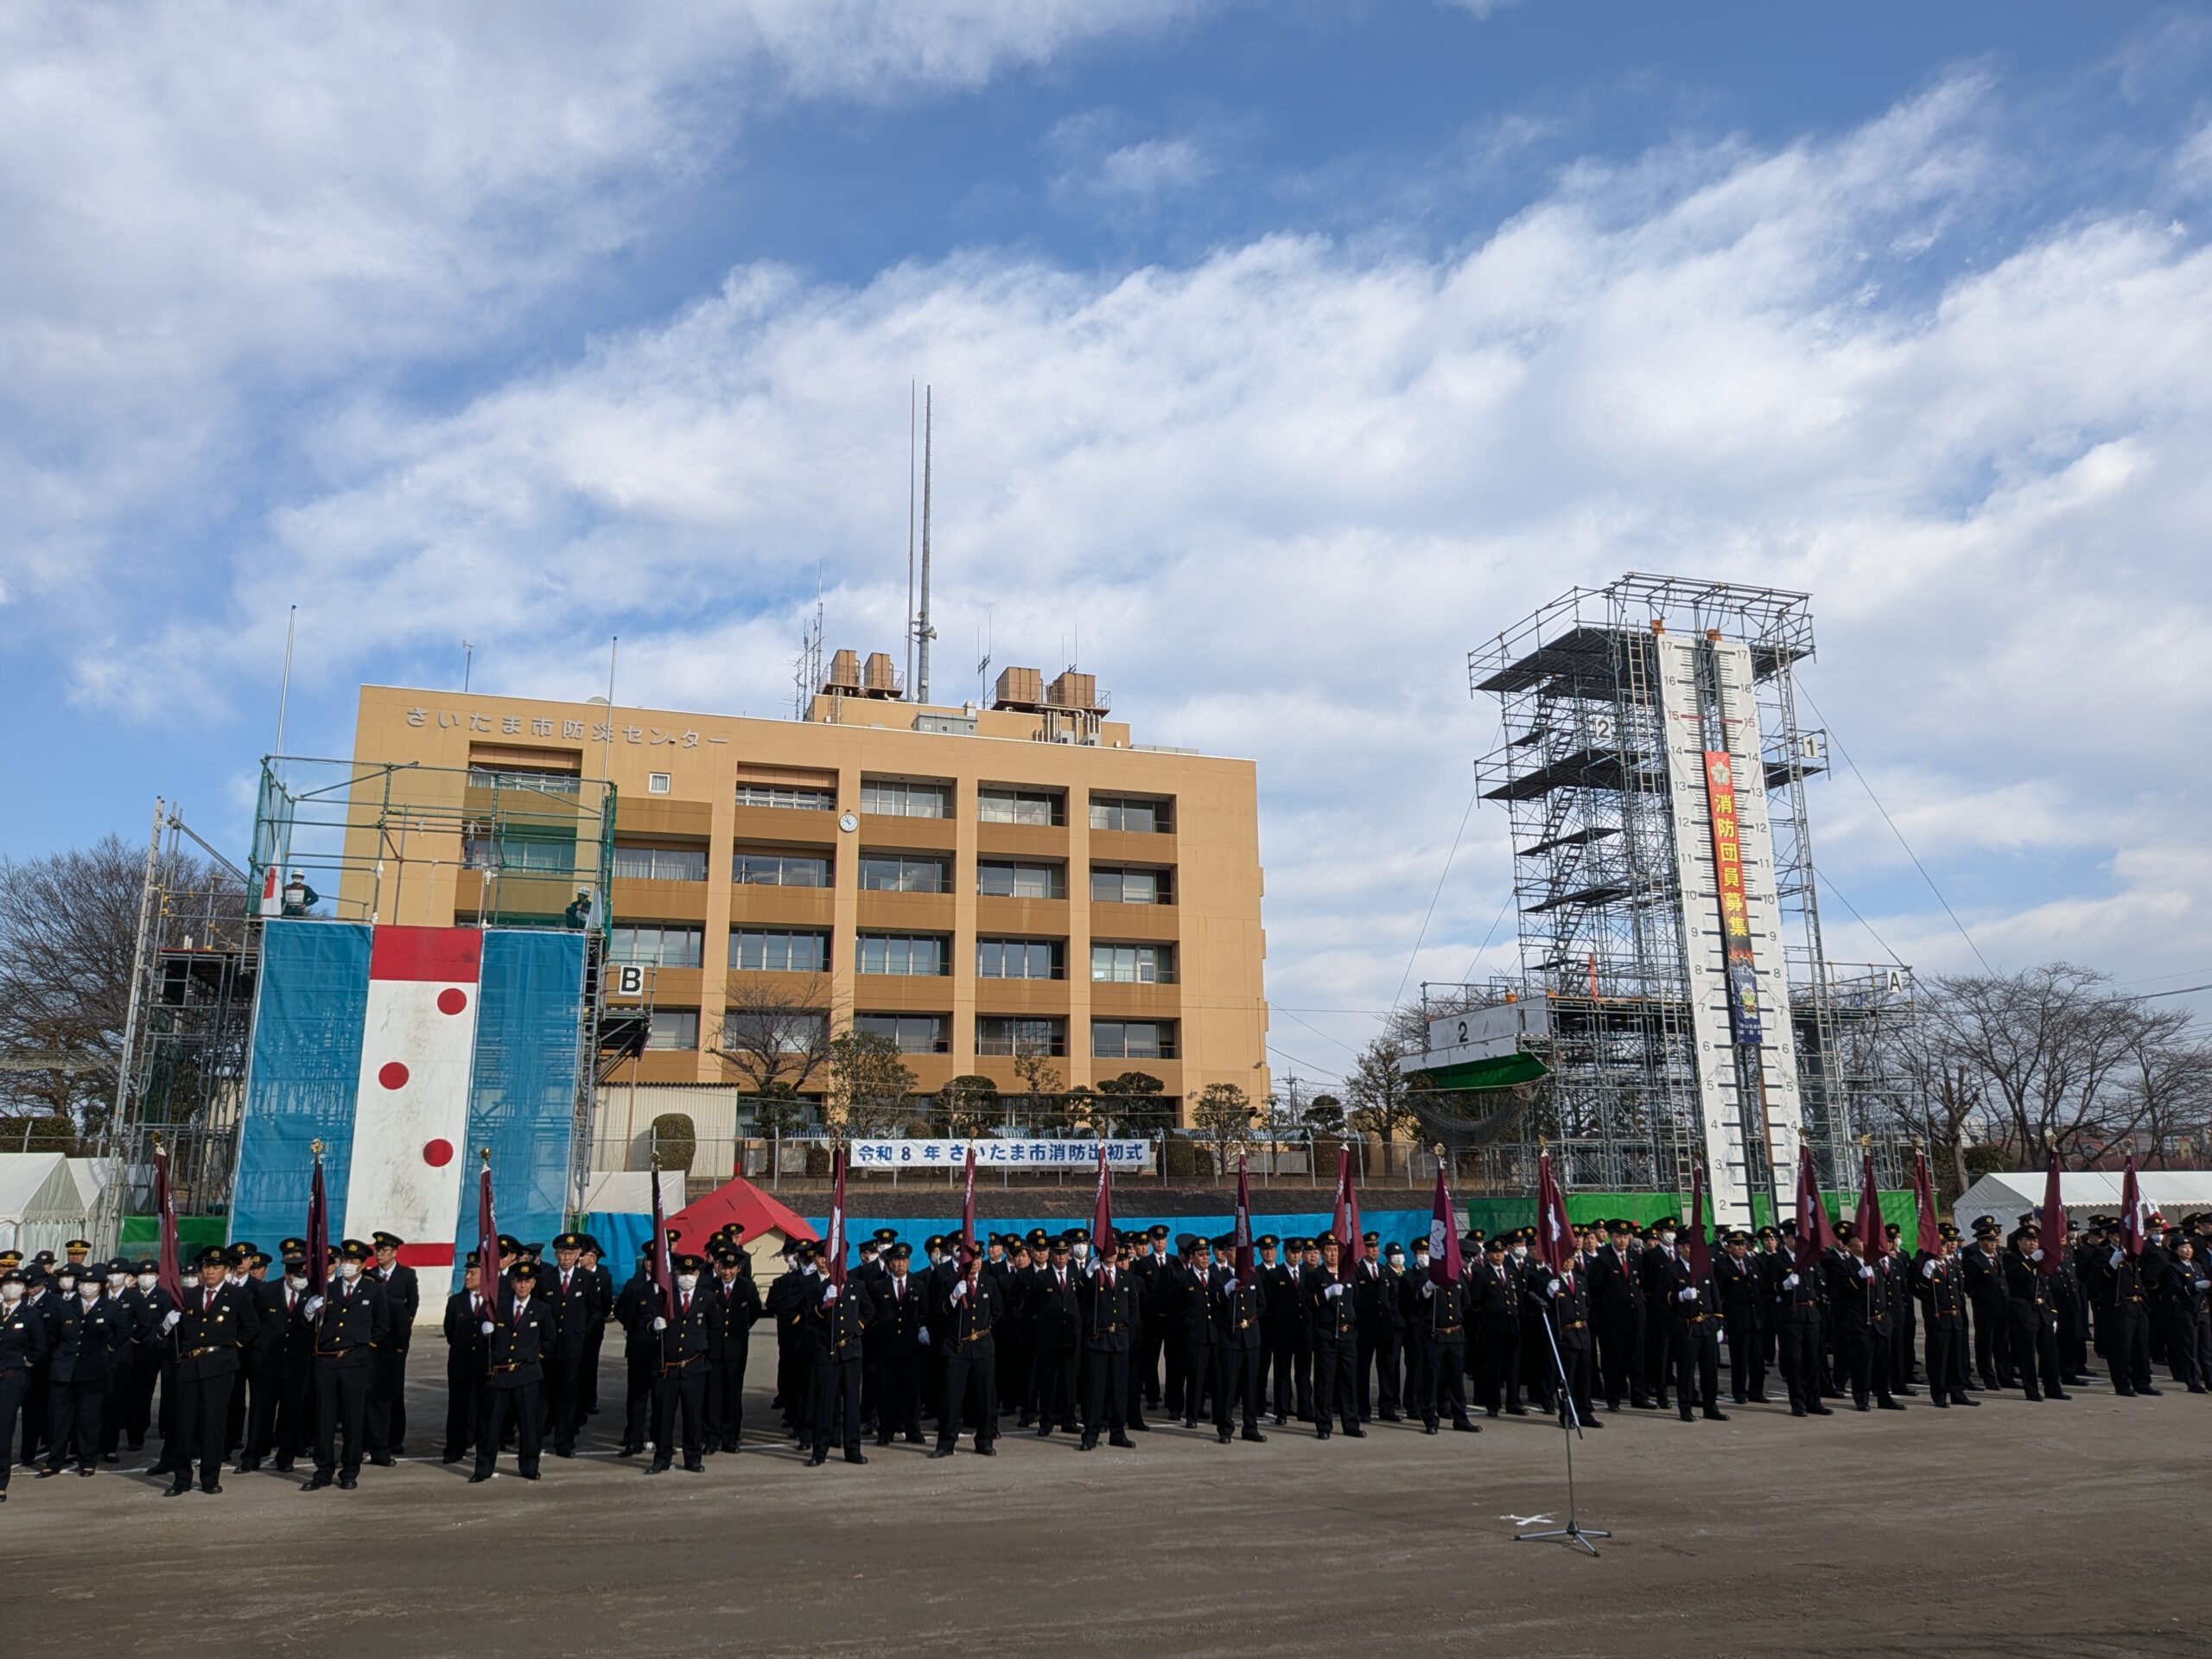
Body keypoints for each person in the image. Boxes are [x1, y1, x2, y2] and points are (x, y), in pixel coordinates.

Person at [163, 1244, 261, 1496]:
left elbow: (251, 1327)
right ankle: (182, 1478)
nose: (209, 1271)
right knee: (184, 1425)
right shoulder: (188, 1295)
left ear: (227, 1269)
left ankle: (210, 1477)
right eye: (206, 1266)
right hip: (189, 1365)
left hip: (219, 1366)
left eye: (215, 1267)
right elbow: (178, 1333)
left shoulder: (237, 1296)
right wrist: (168, 1325)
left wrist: (231, 1348)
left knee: (213, 1424)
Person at [303, 1238, 391, 1491]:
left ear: (363, 1264)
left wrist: (362, 1346)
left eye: (354, 1260)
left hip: (355, 1361)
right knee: (325, 1418)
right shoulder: (328, 1289)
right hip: (328, 1361)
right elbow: (312, 1326)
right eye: (345, 1259)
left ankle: (350, 1470)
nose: (347, 1264)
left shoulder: (373, 1290)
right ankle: (322, 1470)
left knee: (352, 1417)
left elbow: (382, 1326)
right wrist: (309, 1312)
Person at [39, 1257, 128, 1478]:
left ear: (100, 1286)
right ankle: (54, 1460)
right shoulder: (65, 1307)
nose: (86, 1287)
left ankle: (87, 1460)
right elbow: (52, 1334)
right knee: (59, 1418)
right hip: (64, 1369)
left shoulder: (111, 1308)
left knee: (88, 1418)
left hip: (93, 1369)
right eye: (83, 1283)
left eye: (92, 1283)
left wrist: (109, 1347)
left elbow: (123, 1332)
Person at [473, 1259, 550, 1482]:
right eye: (519, 1281)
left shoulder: (541, 1310)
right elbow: (483, 1342)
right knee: (491, 1426)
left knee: (528, 1424)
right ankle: (484, 1468)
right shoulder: (498, 1307)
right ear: (512, 1283)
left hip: (527, 1375)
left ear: (534, 1284)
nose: (523, 1286)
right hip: (501, 1374)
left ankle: (529, 1466)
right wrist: (485, 1331)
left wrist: (533, 1358)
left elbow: (549, 1339)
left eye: (527, 1281)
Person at [241, 1254, 315, 1472]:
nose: (299, 1278)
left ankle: (285, 1458)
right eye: (296, 1274)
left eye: (303, 1274)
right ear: (287, 1274)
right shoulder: (266, 1291)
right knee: (260, 1412)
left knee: (290, 1413)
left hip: (296, 1363)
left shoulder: (313, 1294)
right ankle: (252, 1455)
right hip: (266, 1362)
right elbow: (254, 1323)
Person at [648, 1254, 714, 1473]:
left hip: (694, 1366)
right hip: (669, 1367)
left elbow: (713, 1329)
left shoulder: (707, 1297)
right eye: (682, 1273)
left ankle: (693, 1457)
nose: (687, 1276)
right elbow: (646, 1325)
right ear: (675, 1274)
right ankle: (662, 1457)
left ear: (698, 1273)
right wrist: (653, 1327)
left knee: (693, 1415)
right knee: (663, 1416)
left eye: (691, 1272)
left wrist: (704, 1350)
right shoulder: (664, 1297)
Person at [807, 1256, 874, 1467]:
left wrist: (857, 1330)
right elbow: (810, 1318)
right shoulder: (820, 1289)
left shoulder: (857, 1285)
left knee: (853, 1405)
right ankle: (820, 1450)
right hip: (827, 1353)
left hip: (851, 1353)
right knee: (825, 1405)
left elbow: (869, 1311)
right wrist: (824, 1304)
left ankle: (853, 1449)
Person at [1824, 1227, 1899, 1414]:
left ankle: (1883, 1396)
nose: (1864, 1243)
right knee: (1862, 1363)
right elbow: (1840, 1291)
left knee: (1883, 1362)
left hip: (1880, 1321)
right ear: (1849, 1246)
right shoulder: (1844, 1266)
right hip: (1860, 1322)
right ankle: (1862, 1397)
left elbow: (1883, 1291)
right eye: (1859, 1241)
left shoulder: (1874, 1263)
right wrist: (1857, 1278)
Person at [540, 1230, 601, 1459]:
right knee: (544, 1394)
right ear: (556, 1254)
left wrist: (581, 1331)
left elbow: (595, 1310)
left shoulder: (587, 1279)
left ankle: (564, 1441)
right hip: (549, 1347)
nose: (566, 1257)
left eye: (571, 1253)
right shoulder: (545, 1279)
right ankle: (538, 1436)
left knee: (568, 1395)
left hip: (573, 1347)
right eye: (562, 1252)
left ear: (578, 1255)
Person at [1077, 1239, 1140, 1451]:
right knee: (1095, 1391)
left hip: (1119, 1341)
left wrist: (1127, 1332)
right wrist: (1088, 1275)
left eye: (1115, 1251)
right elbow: (1081, 1300)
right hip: (1098, 1340)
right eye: (1109, 1251)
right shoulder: (1093, 1276)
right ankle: (1091, 1434)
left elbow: (1133, 1309)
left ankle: (1117, 1432)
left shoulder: (1126, 1277)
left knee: (1120, 1390)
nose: (1113, 1255)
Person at [363, 1231, 419, 1465]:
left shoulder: (406, 1275)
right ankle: (371, 1436)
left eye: (384, 1251)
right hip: (371, 1343)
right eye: (377, 1250)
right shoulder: (368, 1275)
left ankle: (395, 1437)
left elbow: (411, 1307)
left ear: (394, 1252)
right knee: (370, 1391)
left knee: (394, 1391)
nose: (379, 1254)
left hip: (394, 1343)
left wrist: (401, 1340)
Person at [2001, 1224, 2069, 1403]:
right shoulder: (2011, 1258)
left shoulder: (2041, 1261)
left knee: (2050, 1353)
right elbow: (2019, 1277)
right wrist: (2032, 1261)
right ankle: (2031, 1390)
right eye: (2028, 1240)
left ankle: (2053, 1388)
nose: (2032, 1244)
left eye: (2035, 1240)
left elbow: (2046, 1287)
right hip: (2024, 1312)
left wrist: (2053, 1312)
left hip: (2043, 1311)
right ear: (2019, 1242)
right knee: (2027, 1354)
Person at [870, 1243, 929, 1446]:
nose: (901, 1264)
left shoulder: (918, 1285)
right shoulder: (879, 1287)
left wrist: (922, 1329)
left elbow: (924, 1312)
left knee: (911, 1391)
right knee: (886, 1391)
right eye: (896, 1260)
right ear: (889, 1263)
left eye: (904, 1260)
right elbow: (873, 1316)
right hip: (886, 1348)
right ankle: (886, 1431)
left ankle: (913, 1429)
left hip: (910, 1348)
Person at [706, 1243, 762, 1453]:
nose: (727, 1272)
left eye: (732, 1268)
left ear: (738, 1268)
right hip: (713, 1348)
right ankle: (712, 1437)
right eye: (724, 1267)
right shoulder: (709, 1286)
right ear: (718, 1267)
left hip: (736, 1349)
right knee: (713, 1394)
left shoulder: (746, 1287)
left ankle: (730, 1437)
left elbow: (755, 1310)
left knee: (733, 1394)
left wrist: (743, 1328)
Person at [1305, 1233, 1362, 1440]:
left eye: (1336, 1250)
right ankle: (1324, 1425)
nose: (1333, 1254)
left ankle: (1351, 1424)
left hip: (1347, 1336)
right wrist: (1325, 1294)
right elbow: (1308, 1302)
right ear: (1321, 1253)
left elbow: (1356, 1303)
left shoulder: (1349, 1274)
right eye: (1328, 1250)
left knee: (1348, 1381)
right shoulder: (1315, 1276)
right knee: (1325, 1383)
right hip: (1326, 1336)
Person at [1589, 1219, 1649, 1412]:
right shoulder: (1603, 1258)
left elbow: (1639, 1284)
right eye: (1618, 1237)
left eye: (1625, 1237)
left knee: (1637, 1359)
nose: (1622, 1241)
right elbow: (1595, 1289)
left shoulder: (1634, 1257)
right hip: (1613, 1319)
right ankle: (1613, 1397)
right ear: (1611, 1237)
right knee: (1614, 1360)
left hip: (1634, 1316)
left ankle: (1638, 1396)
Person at [1212, 1235, 1268, 1445]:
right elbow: (1213, 1303)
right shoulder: (1219, 1276)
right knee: (1229, 1385)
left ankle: (1250, 1427)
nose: (1239, 1254)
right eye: (1234, 1250)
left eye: (1241, 1250)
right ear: (1226, 1253)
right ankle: (1225, 1428)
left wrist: (1250, 1321)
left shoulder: (1253, 1276)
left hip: (1251, 1339)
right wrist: (1226, 1292)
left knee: (1251, 1385)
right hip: (1231, 1338)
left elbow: (1261, 1304)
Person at [0, 1268, 49, 1503]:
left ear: (23, 1288)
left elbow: (39, 1346)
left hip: (11, 1377)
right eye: (7, 1283)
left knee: (3, 1428)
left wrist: (24, 1364)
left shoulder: (29, 1315)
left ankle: (1, 1481)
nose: (11, 1287)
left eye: (16, 1283)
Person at [1914, 1226, 1977, 1409]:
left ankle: (1957, 1392)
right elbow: (1921, 1292)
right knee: (1939, 1359)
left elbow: (1957, 1291)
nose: (1942, 1248)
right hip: (1939, 1320)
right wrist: (1926, 1277)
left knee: (1956, 1359)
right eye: (1938, 1245)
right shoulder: (1926, 1267)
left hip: (1955, 1319)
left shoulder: (1950, 1264)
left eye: (1943, 1244)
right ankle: (1939, 1394)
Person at [1160, 1236, 1218, 1431]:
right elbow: (1174, 1309)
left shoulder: (1215, 1277)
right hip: (1191, 1335)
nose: (1205, 1258)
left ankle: (1201, 1409)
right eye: (1200, 1255)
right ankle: (1190, 1415)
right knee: (1192, 1376)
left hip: (1211, 1334)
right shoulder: (1182, 1279)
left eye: (1207, 1254)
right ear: (1192, 1257)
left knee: (1208, 1377)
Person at [1030, 1237, 1083, 1437]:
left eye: (1064, 1254)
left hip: (1071, 1337)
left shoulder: (1076, 1274)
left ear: (1069, 1254)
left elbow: (1082, 1301)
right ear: (1051, 1255)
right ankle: (1047, 1421)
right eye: (1057, 1254)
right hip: (1049, 1338)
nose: (1061, 1258)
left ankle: (1069, 1419)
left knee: (1070, 1381)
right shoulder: (1042, 1278)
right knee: (1048, 1382)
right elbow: (1032, 1305)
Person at [442, 1254, 493, 1465]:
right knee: (458, 1408)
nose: (468, 1277)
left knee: (484, 1409)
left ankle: (484, 1450)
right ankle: (455, 1448)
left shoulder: (493, 1302)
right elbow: (450, 1332)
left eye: (473, 1272)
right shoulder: (456, 1302)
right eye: (467, 1272)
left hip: (484, 1365)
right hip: (460, 1363)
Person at [1469, 1236, 1524, 1417]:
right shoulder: (1482, 1274)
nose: (1498, 1256)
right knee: (1494, 1368)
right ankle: (1493, 1403)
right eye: (1494, 1252)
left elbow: (1519, 1297)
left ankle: (1514, 1402)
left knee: (1513, 1367)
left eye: (1500, 1252)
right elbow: (1475, 1301)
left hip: (1512, 1326)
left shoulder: (1511, 1272)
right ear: (1488, 1255)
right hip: (1493, 1328)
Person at [1713, 1232, 1768, 1404]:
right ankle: (1739, 1391)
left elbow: (1760, 1290)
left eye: (1742, 1244)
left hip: (1755, 1318)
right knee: (1740, 1358)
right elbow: (1719, 1294)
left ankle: (1756, 1391)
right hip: (1737, 1319)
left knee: (1757, 1358)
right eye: (1736, 1245)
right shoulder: (1722, 1266)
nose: (1740, 1248)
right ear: (1728, 1247)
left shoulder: (1752, 1263)